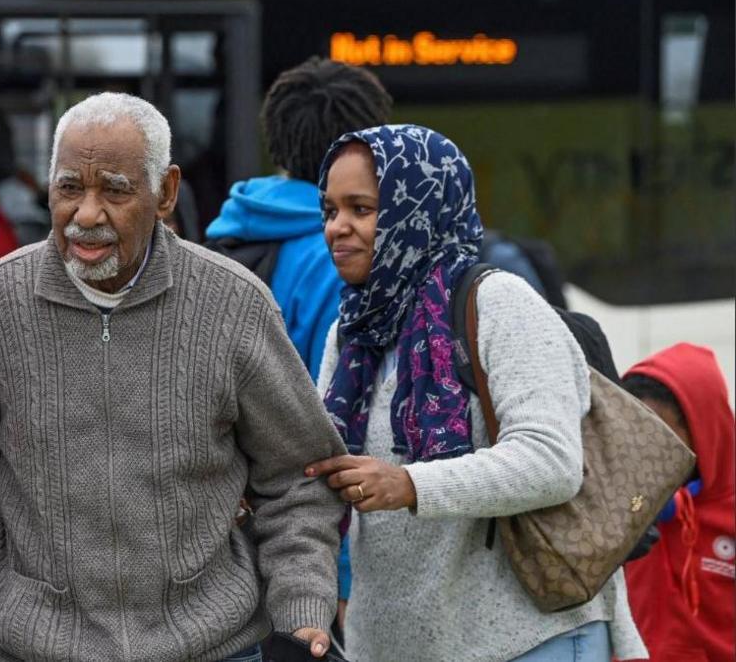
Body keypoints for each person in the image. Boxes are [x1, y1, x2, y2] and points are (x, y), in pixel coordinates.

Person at [0, 92, 347, 661]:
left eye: (114, 190)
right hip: (38, 649)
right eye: (70, 188)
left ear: (165, 193)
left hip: (212, 648)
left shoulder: (233, 305)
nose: (86, 215)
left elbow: (298, 478)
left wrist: (302, 608)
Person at [305, 124, 647, 662]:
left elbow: (553, 461)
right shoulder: (352, 333)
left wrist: (409, 484)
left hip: (528, 639)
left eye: (361, 209)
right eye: (329, 210)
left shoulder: (499, 304)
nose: (337, 228)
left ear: (417, 210)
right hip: (398, 644)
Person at [205, 57, 392, 379]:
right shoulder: (345, 254)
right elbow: (337, 398)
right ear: (367, 146)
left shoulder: (227, 229)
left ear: (276, 139)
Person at [622, 343, 735, 661]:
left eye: (663, 434)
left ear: (702, 427)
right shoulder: (623, 502)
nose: (649, 448)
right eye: (637, 430)